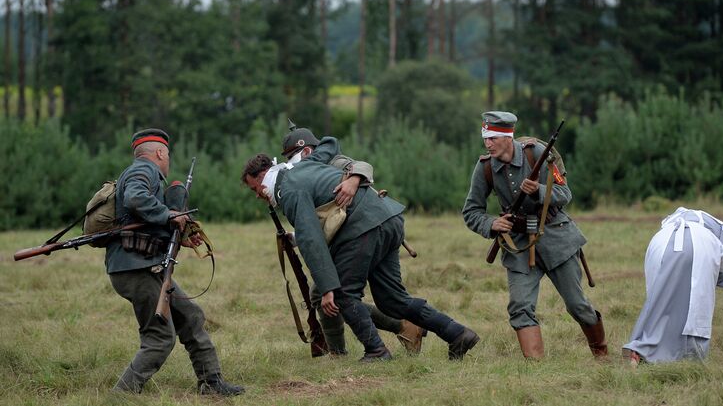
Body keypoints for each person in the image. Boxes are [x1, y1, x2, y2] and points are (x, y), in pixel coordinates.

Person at [242, 154, 479, 361]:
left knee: (343, 294)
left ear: (264, 175)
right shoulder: (300, 170)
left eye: (255, 188)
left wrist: (327, 289)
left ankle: (376, 351)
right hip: (387, 218)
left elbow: (311, 241)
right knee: (392, 300)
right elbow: (320, 219)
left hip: (364, 229)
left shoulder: (288, 190)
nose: (256, 195)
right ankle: (457, 334)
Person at [108, 129, 243, 396]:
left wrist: (179, 235)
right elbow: (134, 199)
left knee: (191, 316)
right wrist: (168, 214)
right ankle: (122, 395)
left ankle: (211, 384)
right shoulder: (142, 172)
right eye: (167, 155)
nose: (168, 161)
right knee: (159, 338)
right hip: (136, 268)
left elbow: (144, 222)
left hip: (148, 264)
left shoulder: (144, 173)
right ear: (160, 153)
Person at [462, 111, 606, 359]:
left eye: (493, 138)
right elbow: (471, 211)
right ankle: (535, 369)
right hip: (517, 243)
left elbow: (565, 194)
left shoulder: (536, 154)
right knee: (519, 307)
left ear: (509, 137)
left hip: (555, 237)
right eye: (485, 137)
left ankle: (601, 354)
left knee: (577, 306)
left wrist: (540, 191)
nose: (488, 143)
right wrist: (492, 223)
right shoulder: (485, 167)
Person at [280, 123, 425, 355]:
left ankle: (347, 350)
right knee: (330, 295)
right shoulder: (305, 173)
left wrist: (354, 178)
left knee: (331, 294)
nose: (289, 164)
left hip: (363, 233)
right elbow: (325, 220)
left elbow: (361, 166)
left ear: (306, 152)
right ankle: (350, 346)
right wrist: (298, 237)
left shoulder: (332, 162)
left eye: (291, 157)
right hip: (349, 236)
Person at [622, 207, 723, 365]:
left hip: (659, 242)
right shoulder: (718, 230)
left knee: (659, 303)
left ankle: (642, 348)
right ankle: (689, 358)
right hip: (701, 245)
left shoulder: (668, 224)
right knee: (695, 309)